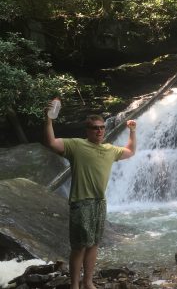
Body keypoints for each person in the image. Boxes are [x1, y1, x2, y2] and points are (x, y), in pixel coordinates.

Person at [45, 106, 137, 289]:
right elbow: (52, 143)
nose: (100, 130)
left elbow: (130, 151)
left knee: (94, 244)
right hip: (81, 203)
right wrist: (48, 120)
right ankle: (74, 285)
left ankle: (88, 282)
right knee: (79, 246)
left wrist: (132, 131)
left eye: (102, 127)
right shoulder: (76, 145)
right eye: (96, 128)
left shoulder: (110, 150)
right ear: (88, 130)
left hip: (99, 203)